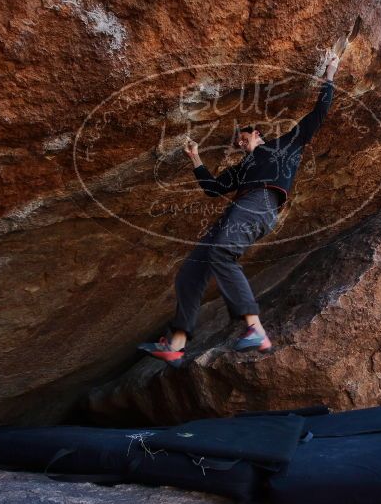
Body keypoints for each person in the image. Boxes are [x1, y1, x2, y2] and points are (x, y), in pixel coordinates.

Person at [137, 51, 341, 366]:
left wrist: (329, 74)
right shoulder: (242, 168)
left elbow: (318, 114)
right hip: (242, 204)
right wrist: (195, 157)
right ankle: (176, 343)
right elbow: (213, 188)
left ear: (257, 134)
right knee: (192, 268)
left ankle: (254, 329)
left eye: (242, 137)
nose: (238, 142)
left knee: (221, 252)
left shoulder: (282, 145)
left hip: (261, 203)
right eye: (236, 141)